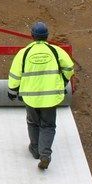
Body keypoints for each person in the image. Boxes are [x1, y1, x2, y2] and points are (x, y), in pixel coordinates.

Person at [7, 22, 74, 170]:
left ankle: (35, 150)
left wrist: (12, 91)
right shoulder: (55, 51)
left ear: (32, 36)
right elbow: (69, 67)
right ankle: (45, 154)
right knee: (48, 125)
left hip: (31, 97)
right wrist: (62, 81)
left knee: (33, 122)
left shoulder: (24, 53)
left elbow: (15, 74)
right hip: (50, 98)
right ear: (46, 36)